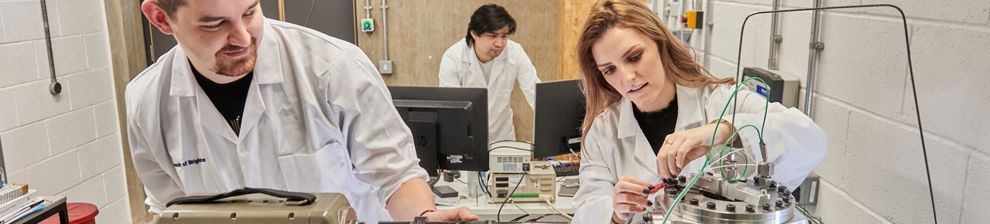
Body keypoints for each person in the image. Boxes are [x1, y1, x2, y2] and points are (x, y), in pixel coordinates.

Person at [127, 0, 478, 222]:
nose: (243, 38)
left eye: (250, 12)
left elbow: (395, 175)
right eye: (214, 24)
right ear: (160, 18)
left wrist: (423, 217)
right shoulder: (147, 101)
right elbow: (170, 209)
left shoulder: (333, 67)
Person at [570, 0, 827, 223]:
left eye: (634, 56)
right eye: (609, 70)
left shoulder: (719, 101)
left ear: (659, 43)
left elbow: (812, 140)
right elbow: (585, 211)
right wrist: (614, 212)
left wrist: (723, 131)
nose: (627, 78)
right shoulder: (603, 132)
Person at [439, 4, 541, 143]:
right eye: (493, 36)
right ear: (474, 34)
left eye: (504, 36)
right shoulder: (453, 58)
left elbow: (536, 95)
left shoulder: (515, 52)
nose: (500, 43)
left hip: (503, 137)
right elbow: (450, 109)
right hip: (466, 139)